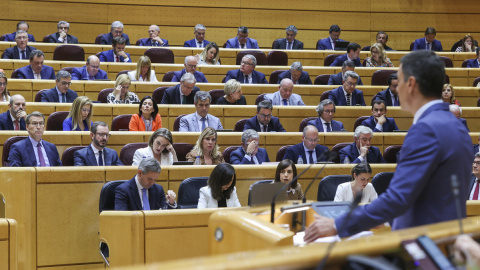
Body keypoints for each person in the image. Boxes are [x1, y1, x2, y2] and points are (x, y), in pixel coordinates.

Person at [304, 50, 472, 241]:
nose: (396, 88)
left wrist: (337, 224)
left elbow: (398, 199)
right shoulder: (459, 128)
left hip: (421, 245)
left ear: (411, 84)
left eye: (399, 81)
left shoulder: (426, 129)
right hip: (446, 239)